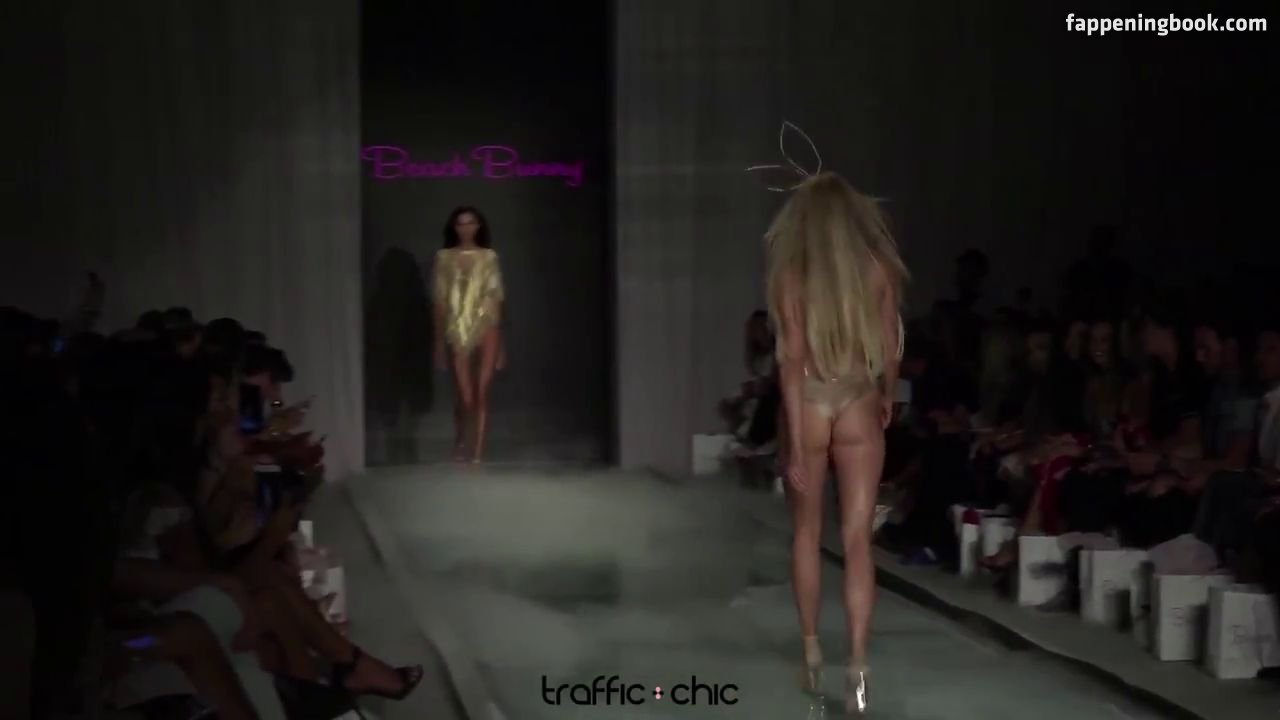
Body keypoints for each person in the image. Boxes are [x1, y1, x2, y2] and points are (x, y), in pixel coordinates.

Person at [767, 172, 906, 714]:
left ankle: (811, 654)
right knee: (857, 541)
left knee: (806, 534)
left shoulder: (792, 274)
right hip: (858, 399)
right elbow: (890, 346)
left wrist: (794, 439)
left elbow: (791, 360)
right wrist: (887, 395)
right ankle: (860, 668)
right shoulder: (879, 269)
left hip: (810, 402)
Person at [432, 206, 507, 463]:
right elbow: (440, 300)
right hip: (457, 327)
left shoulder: (489, 257)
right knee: (465, 396)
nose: (466, 228)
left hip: (488, 324)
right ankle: (461, 439)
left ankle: (477, 453)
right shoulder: (444, 257)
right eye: (460, 223)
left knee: (482, 392)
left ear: (478, 226)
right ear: (454, 227)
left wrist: (501, 346)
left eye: (471, 222)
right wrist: (438, 343)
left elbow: (496, 296)